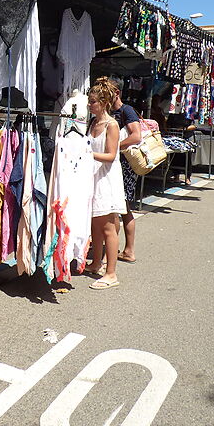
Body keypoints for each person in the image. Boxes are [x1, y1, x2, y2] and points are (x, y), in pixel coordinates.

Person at [85, 77, 126, 289]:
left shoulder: (112, 125)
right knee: (95, 225)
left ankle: (111, 273)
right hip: (94, 176)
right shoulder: (92, 122)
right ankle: (96, 263)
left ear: (103, 102)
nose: (89, 105)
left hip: (107, 178)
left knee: (109, 226)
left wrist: (87, 153)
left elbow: (111, 155)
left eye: (92, 102)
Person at [109, 82, 142, 264]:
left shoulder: (126, 110)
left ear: (117, 92)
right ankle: (125, 250)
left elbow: (136, 136)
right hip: (116, 163)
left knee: (121, 207)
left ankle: (125, 250)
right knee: (121, 207)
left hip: (125, 165)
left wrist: (114, 146)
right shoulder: (110, 112)